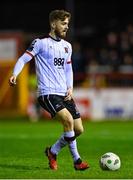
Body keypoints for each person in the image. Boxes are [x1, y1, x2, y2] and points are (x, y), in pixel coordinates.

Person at [9, 9, 89, 171]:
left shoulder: (67, 46)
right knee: (67, 120)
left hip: (63, 93)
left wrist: (70, 87)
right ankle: (77, 161)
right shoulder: (40, 42)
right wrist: (14, 74)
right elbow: (23, 59)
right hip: (47, 93)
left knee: (78, 129)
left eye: (68, 24)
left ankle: (53, 152)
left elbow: (68, 69)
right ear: (53, 24)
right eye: (63, 23)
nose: (66, 27)